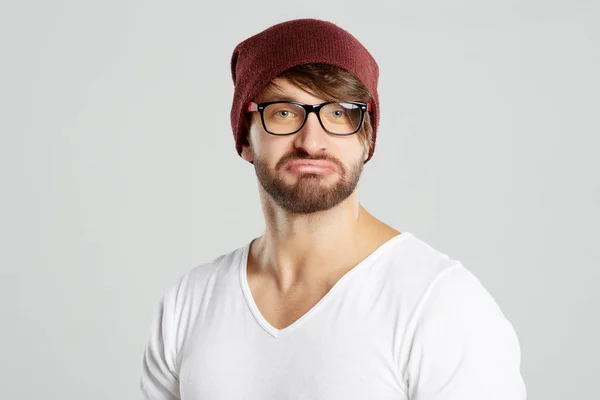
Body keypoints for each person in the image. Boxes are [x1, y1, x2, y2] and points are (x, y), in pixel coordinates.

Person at [140, 18, 527, 400]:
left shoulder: (440, 304)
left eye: (339, 113)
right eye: (285, 113)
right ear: (245, 138)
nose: (312, 141)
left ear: (366, 139)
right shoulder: (189, 303)